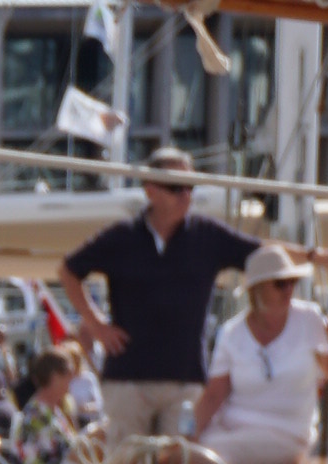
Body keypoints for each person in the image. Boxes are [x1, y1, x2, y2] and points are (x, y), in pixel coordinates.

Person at [63, 148, 253, 448]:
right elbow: (69, 270)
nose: (186, 195)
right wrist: (96, 323)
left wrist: (312, 256)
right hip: (128, 378)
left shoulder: (207, 236)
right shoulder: (122, 236)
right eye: (176, 187)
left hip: (185, 379)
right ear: (150, 190)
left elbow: (262, 254)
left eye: (190, 187)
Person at [189, 241, 328, 464]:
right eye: (280, 283)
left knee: (209, 460)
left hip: (287, 434)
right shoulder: (232, 332)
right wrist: (187, 437)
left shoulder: (309, 319)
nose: (289, 289)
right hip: (231, 431)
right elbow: (213, 395)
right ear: (257, 290)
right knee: (187, 459)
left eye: (293, 281)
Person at [4, 341, 90, 464]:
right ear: (54, 377)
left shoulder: (55, 412)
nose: (72, 379)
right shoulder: (34, 418)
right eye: (68, 374)